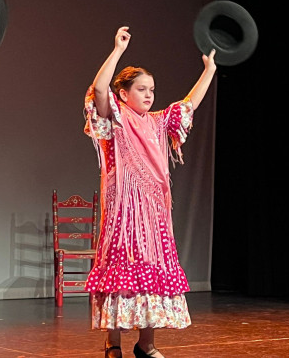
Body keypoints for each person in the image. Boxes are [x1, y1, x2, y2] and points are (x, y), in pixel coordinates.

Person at [84, 26, 216, 358]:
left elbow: (188, 106)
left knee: (152, 271)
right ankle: (113, 340)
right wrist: (117, 50)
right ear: (124, 93)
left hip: (154, 211)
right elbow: (100, 88)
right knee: (120, 268)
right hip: (123, 209)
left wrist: (210, 71)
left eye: (152, 90)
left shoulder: (157, 122)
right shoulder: (115, 118)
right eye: (141, 89)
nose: (149, 95)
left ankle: (146, 342)